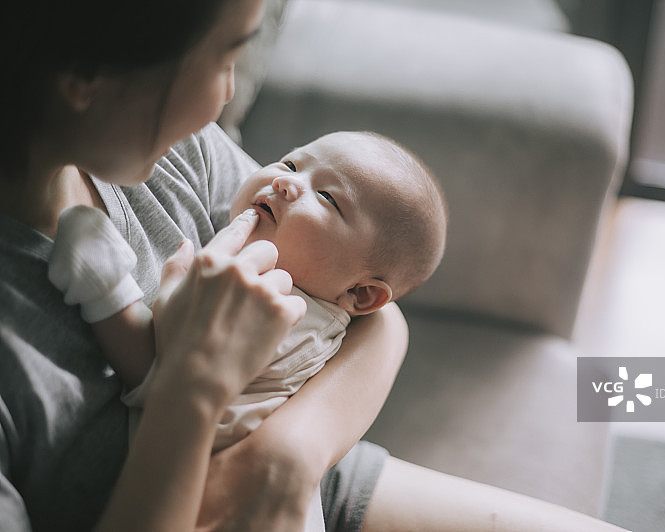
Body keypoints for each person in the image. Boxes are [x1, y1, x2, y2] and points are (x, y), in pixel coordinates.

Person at [0, 0, 628, 530]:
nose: (226, 98)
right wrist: (193, 386)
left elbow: (378, 319)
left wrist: (287, 455)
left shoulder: (165, 151)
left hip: (307, 483)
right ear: (87, 77)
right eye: (226, 59)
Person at [46, 130, 448, 531]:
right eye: (291, 163)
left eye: (327, 197)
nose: (285, 181)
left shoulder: (292, 318)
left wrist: (104, 288)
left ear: (360, 294)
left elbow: (156, 370)